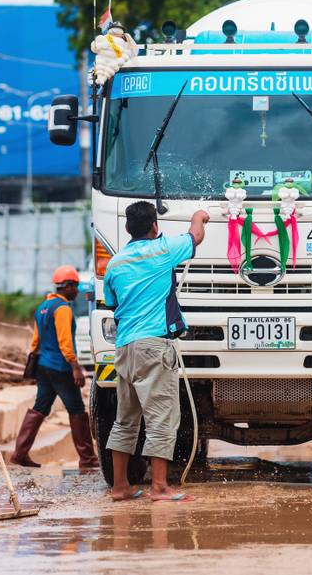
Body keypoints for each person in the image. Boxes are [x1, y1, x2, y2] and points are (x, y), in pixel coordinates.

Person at [103, 202, 209, 502]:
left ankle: (120, 486)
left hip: (124, 347)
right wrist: (199, 216)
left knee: (125, 419)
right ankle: (160, 486)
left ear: (127, 229)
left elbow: (112, 301)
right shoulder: (163, 250)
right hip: (154, 345)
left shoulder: (115, 263)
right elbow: (195, 236)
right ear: (154, 227)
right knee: (162, 416)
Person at [11, 265, 100, 470]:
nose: (77, 291)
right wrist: (75, 367)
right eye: (75, 286)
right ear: (67, 286)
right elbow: (65, 342)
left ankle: (20, 453)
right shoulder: (62, 309)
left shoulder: (42, 307)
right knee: (76, 409)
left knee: (40, 407)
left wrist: (34, 359)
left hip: (44, 366)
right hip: (60, 368)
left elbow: (35, 340)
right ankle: (88, 459)